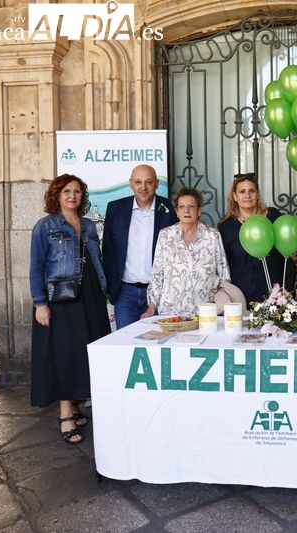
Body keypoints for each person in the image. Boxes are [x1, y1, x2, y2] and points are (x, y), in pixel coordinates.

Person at [29, 174, 111, 445]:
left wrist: (104, 290)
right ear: (57, 195)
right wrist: (40, 303)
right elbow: (36, 267)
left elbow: (95, 260)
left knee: (85, 351)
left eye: (77, 191)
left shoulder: (88, 225)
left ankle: (75, 404)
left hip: (90, 295)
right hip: (61, 299)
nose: (72, 196)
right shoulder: (45, 226)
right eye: (66, 191)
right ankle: (65, 413)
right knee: (65, 355)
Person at [103, 164, 178, 329]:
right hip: (126, 294)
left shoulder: (170, 210)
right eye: (138, 182)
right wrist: (110, 287)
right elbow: (108, 251)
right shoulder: (115, 209)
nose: (143, 187)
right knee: (127, 345)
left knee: (161, 342)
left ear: (157, 184)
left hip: (161, 294)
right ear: (131, 183)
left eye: (148, 182)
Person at [143, 188, 230, 316]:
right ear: (177, 212)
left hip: (206, 314)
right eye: (182, 207)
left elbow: (224, 276)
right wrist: (151, 307)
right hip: (171, 314)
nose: (186, 210)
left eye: (191, 206)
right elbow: (157, 275)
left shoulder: (212, 236)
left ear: (199, 210)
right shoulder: (165, 236)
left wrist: (224, 306)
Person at [218, 172, 290, 305]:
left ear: (257, 194)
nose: (247, 196)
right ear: (235, 196)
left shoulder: (273, 217)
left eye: (252, 191)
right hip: (242, 297)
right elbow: (223, 264)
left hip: (276, 295)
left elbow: (288, 250)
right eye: (242, 191)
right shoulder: (226, 227)